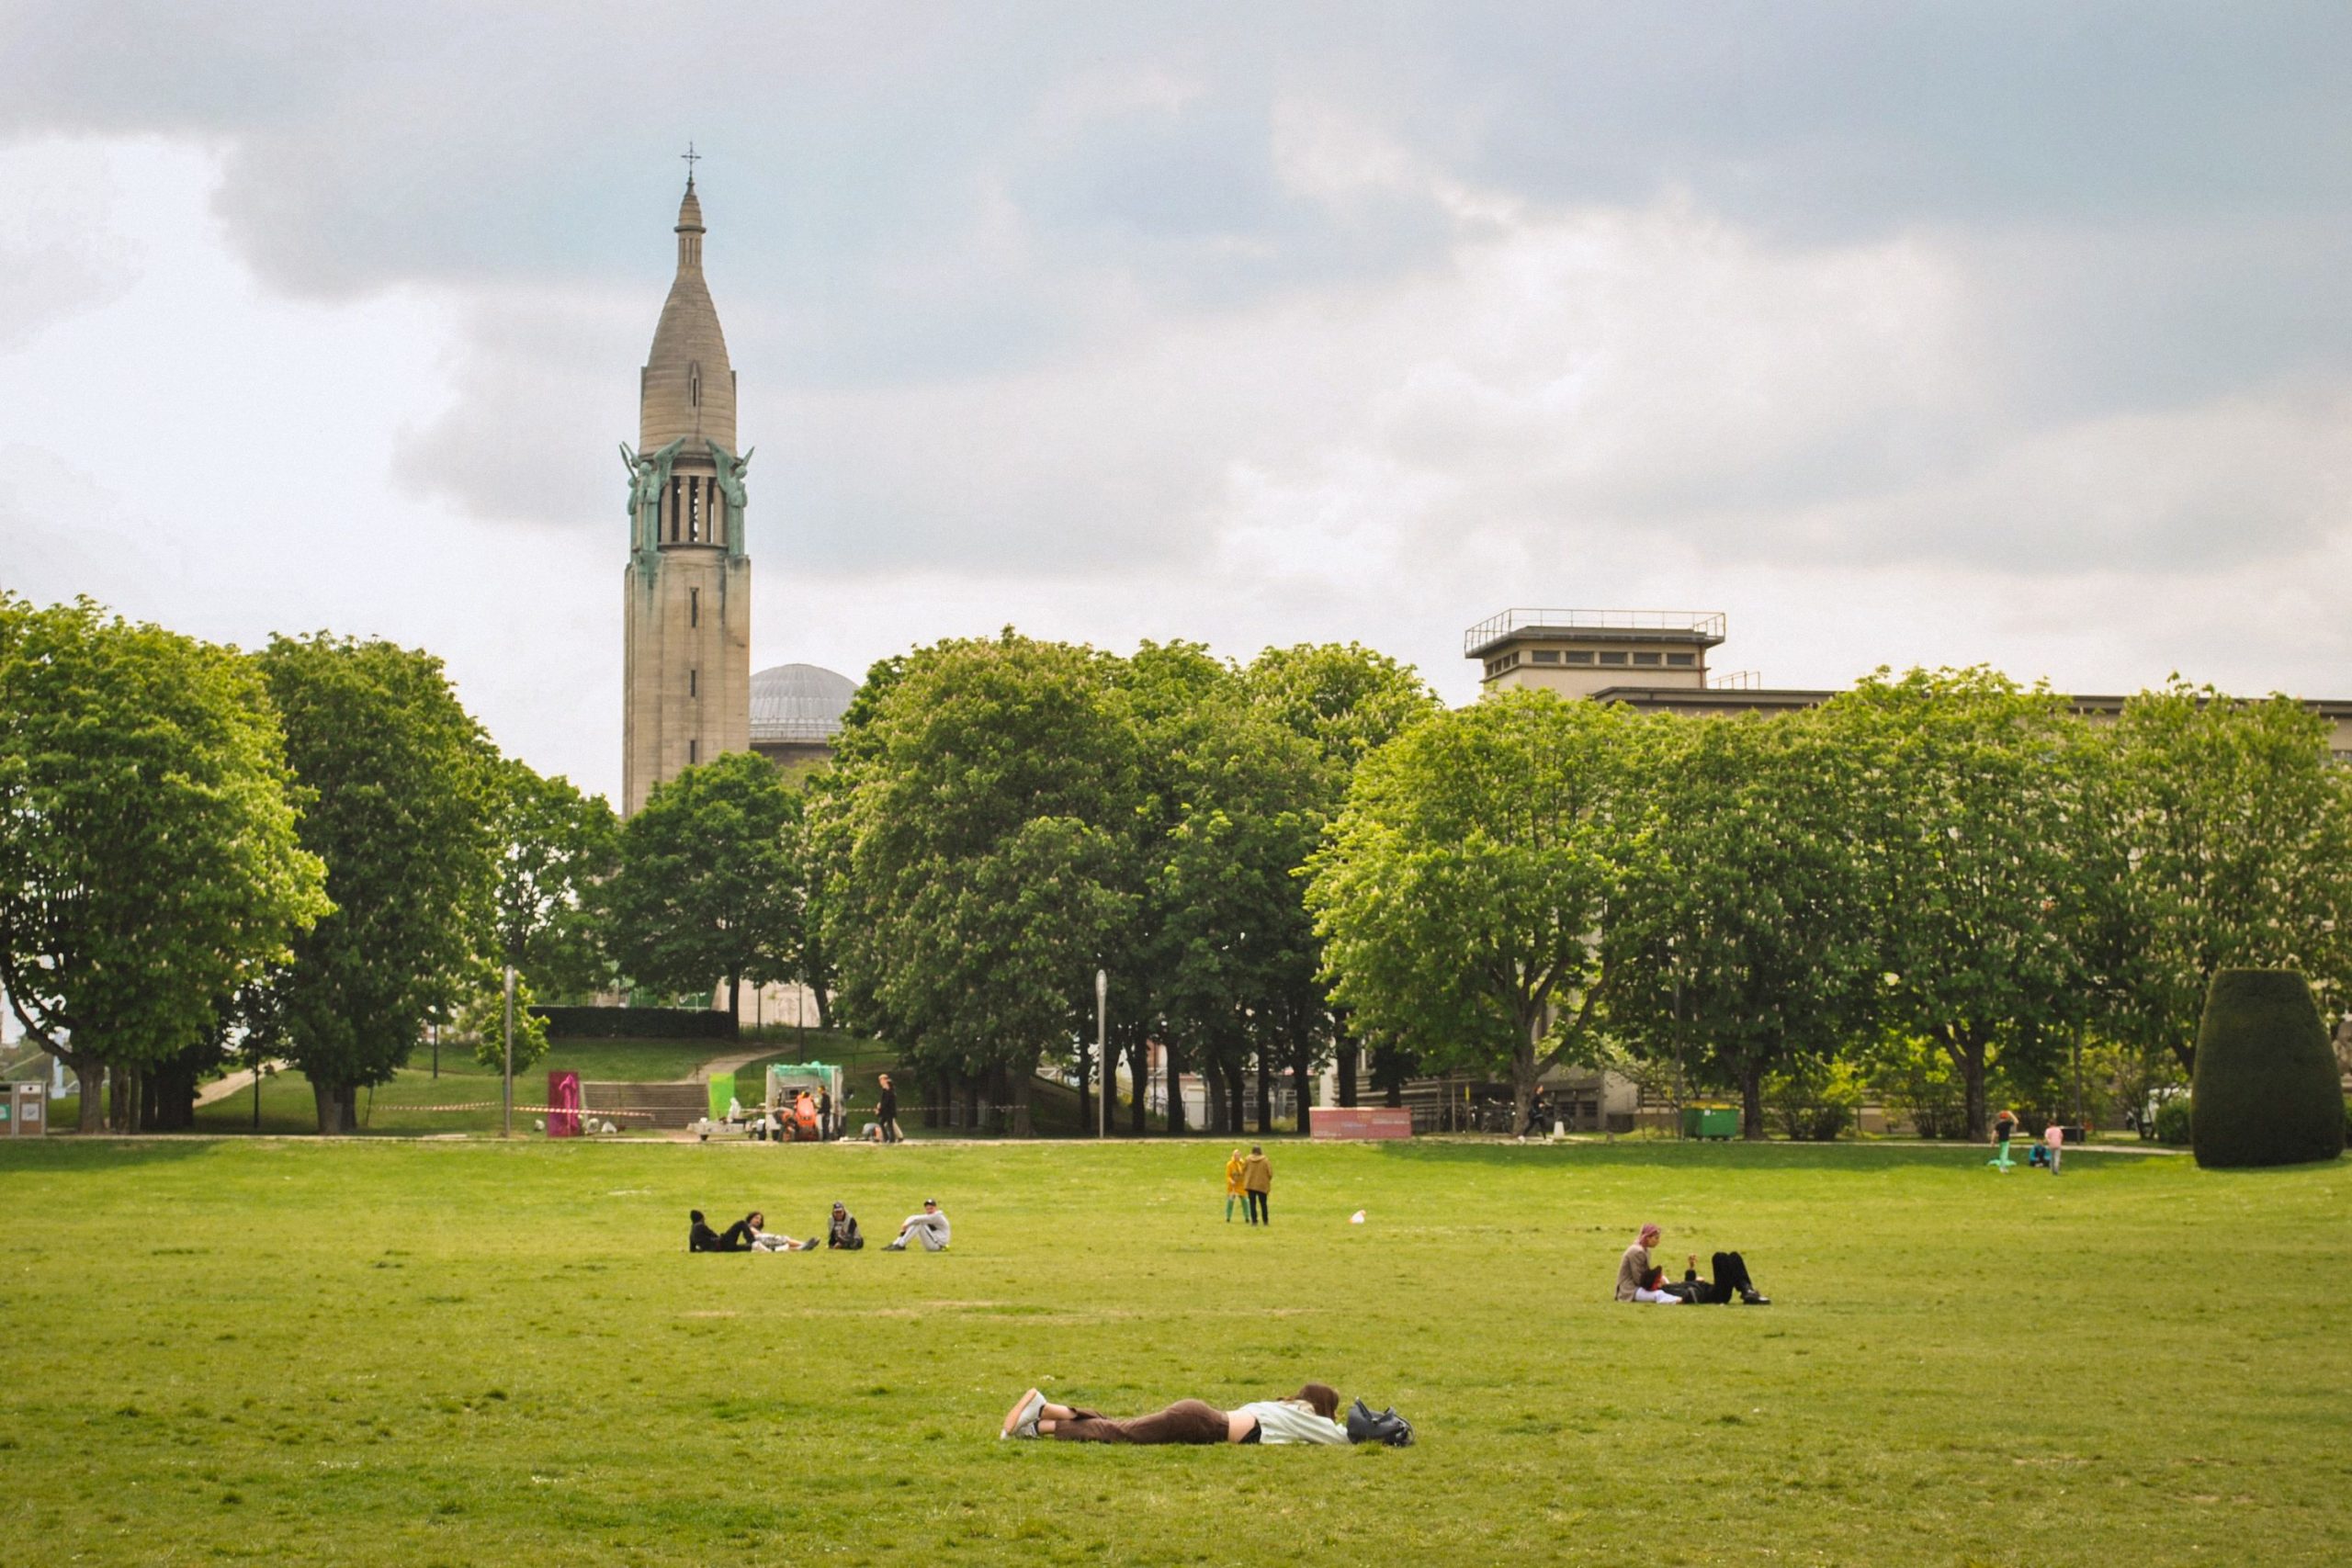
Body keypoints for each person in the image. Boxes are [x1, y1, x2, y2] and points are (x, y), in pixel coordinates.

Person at [1001, 1382, 1354, 1445]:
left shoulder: (1283, 1409)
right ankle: (1043, 1410)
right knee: (1119, 1433)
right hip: (1199, 1423)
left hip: (1198, 1417)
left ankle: (1040, 1423)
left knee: (1117, 1427)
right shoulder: (1303, 1419)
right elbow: (1339, 1437)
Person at [1668, 1249, 1770, 1305]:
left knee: (1734, 1256)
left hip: (1715, 1289)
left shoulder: (1673, 1285)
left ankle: (1747, 1290)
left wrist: (1691, 1267)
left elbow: (1689, 1283)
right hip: (1716, 1296)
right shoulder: (1666, 1290)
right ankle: (1747, 1291)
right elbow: (1689, 1293)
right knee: (1719, 1257)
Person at [1615, 1223, 1680, 1303]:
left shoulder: (1645, 1249)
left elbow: (1645, 1273)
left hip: (1640, 1286)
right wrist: (1656, 1283)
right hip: (1631, 1289)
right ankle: (1680, 1300)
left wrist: (1659, 1279)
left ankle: (1677, 1293)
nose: (1658, 1241)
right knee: (1658, 1294)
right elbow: (1639, 1279)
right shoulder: (1637, 1251)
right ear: (1647, 1238)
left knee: (1664, 1279)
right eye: (1656, 1238)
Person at [882, 1197, 951, 1251]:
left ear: (936, 1208)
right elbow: (913, 1217)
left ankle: (900, 1245)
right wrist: (905, 1225)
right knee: (916, 1222)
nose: (929, 1211)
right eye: (927, 1209)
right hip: (933, 1241)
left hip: (937, 1245)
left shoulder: (937, 1216)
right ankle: (896, 1243)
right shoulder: (929, 1216)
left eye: (931, 1208)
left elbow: (916, 1219)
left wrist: (906, 1225)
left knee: (918, 1224)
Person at [689, 1209, 755, 1253]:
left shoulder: (691, 1232)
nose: (704, 1220)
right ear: (701, 1218)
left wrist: (702, 1250)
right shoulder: (700, 1225)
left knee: (748, 1248)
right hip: (722, 1244)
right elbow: (714, 1235)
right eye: (703, 1219)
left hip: (722, 1249)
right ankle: (753, 1241)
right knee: (741, 1223)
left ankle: (754, 1246)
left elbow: (692, 1250)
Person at [746, 1211, 816, 1252]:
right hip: (760, 1242)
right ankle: (804, 1244)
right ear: (750, 1219)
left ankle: (802, 1247)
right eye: (756, 1218)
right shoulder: (748, 1227)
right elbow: (756, 1234)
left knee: (783, 1245)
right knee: (784, 1239)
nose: (758, 1221)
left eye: (760, 1219)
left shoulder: (755, 1229)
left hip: (762, 1244)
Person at [1241, 1145, 1272, 1226]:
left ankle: (1254, 1221)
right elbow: (1270, 1173)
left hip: (1250, 1185)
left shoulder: (1247, 1159)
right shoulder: (1265, 1160)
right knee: (1263, 1204)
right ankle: (1265, 1221)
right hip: (1262, 1185)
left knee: (1252, 1204)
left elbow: (1243, 1170)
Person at [876, 1073, 902, 1144]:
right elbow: (883, 1100)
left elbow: (886, 1101)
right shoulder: (885, 1090)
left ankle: (891, 1139)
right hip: (886, 1111)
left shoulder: (889, 1091)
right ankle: (887, 1138)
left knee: (889, 1125)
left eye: (881, 1080)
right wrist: (880, 1105)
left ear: (885, 1080)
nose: (880, 1082)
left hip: (889, 1111)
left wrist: (880, 1108)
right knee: (883, 1123)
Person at [1224, 1148, 1246, 1224]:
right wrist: (1231, 1181)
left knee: (1245, 1201)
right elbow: (1228, 1176)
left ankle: (1247, 1217)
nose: (1237, 1157)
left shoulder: (1243, 1163)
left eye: (1238, 1155)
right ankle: (1228, 1217)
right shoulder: (1230, 1164)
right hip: (1232, 1187)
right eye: (1235, 1155)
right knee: (1230, 1202)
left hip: (1241, 1186)